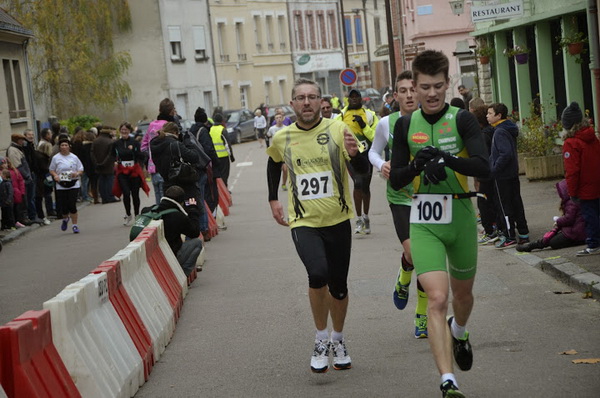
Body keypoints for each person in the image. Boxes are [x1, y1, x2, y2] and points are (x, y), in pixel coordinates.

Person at [389, 50, 490, 398]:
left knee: (462, 296)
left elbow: (483, 165)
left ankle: (459, 331)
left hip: (460, 215)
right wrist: (418, 165)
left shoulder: (461, 119)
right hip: (425, 220)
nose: (431, 94)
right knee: (436, 297)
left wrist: (446, 160)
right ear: (412, 89)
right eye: (424, 87)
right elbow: (396, 180)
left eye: (437, 87)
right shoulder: (404, 125)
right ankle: (448, 381)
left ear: (448, 85)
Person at [266, 78, 367, 374]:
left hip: (338, 219)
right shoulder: (281, 137)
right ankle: (321, 337)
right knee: (317, 273)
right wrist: (273, 198)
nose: (306, 102)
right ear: (292, 104)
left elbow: (360, 173)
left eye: (312, 97)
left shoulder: (338, 129)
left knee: (338, 287)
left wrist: (356, 154)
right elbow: (273, 162)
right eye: (301, 98)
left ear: (322, 101)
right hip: (303, 221)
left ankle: (338, 338)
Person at [368, 70, 429, 338]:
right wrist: (382, 164)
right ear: (396, 96)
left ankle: (422, 316)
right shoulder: (386, 123)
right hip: (400, 197)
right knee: (416, 254)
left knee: (426, 260)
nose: (408, 95)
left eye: (412, 90)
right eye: (402, 91)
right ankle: (405, 278)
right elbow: (372, 151)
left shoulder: (431, 121)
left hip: (429, 197)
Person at [335, 88, 379, 234]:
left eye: (356, 97)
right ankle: (358, 218)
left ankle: (366, 217)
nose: (354, 99)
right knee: (357, 183)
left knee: (365, 187)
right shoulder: (341, 116)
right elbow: (335, 135)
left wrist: (363, 126)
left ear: (361, 99)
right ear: (348, 99)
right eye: (351, 97)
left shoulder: (370, 115)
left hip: (367, 155)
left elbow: (375, 137)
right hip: (351, 156)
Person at [486, 102, 530, 248]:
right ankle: (523, 233)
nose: (487, 116)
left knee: (504, 206)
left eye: (490, 113)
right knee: (516, 203)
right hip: (511, 173)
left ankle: (509, 235)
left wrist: (494, 169)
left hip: (502, 176)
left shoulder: (499, 132)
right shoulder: (507, 128)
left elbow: (505, 154)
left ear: (499, 116)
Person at [561, 101, 600, 256]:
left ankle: (593, 243)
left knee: (590, 216)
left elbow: (572, 171)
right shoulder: (592, 137)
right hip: (597, 182)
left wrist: (572, 192)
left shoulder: (571, 143)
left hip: (585, 187)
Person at [140, 185, 203, 276]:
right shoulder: (177, 216)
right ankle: (183, 274)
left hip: (150, 258)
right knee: (197, 243)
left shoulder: (148, 211)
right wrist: (193, 210)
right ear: (181, 201)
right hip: (169, 256)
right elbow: (195, 233)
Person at [517, 179, 586, 252]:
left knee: (553, 242)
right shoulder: (574, 200)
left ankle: (532, 245)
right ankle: (533, 245)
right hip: (577, 231)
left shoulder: (571, 203)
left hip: (575, 233)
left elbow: (569, 219)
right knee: (552, 237)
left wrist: (558, 221)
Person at [141, 98, 180, 204]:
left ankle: (160, 216)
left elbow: (143, 146)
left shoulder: (152, 125)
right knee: (167, 197)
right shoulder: (169, 125)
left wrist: (149, 158)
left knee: (158, 196)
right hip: (167, 168)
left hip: (153, 167)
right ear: (172, 111)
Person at [150, 122, 201, 201]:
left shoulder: (155, 144)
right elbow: (194, 157)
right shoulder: (175, 144)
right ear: (174, 132)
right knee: (194, 210)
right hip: (183, 186)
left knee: (173, 210)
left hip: (167, 185)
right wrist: (188, 143)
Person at [190, 107, 221, 238]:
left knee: (195, 199)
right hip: (204, 169)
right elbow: (209, 150)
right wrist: (216, 165)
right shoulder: (203, 132)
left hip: (193, 169)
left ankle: (199, 227)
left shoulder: (190, 131)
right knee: (208, 196)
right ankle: (205, 228)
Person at [471, 105, 499, 245]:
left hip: (486, 173)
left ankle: (490, 231)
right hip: (492, 172)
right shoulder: (491, 132)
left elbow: (483, 155)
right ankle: (494, 227)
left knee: (483, 202)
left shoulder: (483, 135)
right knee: (491, 201)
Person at [113, 122, 150, 226]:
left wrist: (133, 149)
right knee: (125, 192)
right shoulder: (116, 143)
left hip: (133, 170)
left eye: (126, 130)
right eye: (122, 130)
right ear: (120, 131)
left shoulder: (134, 142)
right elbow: (112, 154)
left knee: (135, 194)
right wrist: (115, 162)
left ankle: (137, 215)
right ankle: (128, 214)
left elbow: (141, 155)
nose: (124, 131)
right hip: (122, 170)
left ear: (130, 131)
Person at [49, 137, 84, 233]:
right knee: (64, 207)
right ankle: (65, 219)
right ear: (60, 147)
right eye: (62, 145)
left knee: (72, 205)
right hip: (61, 184)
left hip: (73, 183)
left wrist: (76, 174)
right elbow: (51, 169)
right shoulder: (56, 158)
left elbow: (81, 169)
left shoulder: (74, 157)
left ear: (69, 147)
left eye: (66, 145)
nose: (64, 147)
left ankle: (75, 225)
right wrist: (55, 175)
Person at [6, 133, 34, 225]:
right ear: (17, 140)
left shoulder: (17, 149)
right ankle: (22, 218)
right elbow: (18, 166)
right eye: (21, 140)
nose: (23, 142)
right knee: (22, 198)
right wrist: (27, 175)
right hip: (21, 178)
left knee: (25, 198)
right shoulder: (13, 150)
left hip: (23, 178)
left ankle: (24, 217)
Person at [91, 126, 119, 204]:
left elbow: (92, 153)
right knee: (110, 180)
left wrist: (96, 163)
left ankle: (104, 198)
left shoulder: (95, 141)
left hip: (98, 164)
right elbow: (110, 154)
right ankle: (110, 197)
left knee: (101, 181)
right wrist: (105, 163)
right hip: (108, 165)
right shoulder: (110, 142)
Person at [36, 128, 57, 217]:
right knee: (47, 193)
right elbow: (45, 168)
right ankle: (50, 210)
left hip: (45, 176)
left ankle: (50, 209)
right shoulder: (43, 158)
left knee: (48, 193)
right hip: (44, 176)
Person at [210, 113, 235, 186]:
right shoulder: (222, 130)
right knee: (224, 174)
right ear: (221, 121)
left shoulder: (210, 130)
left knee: (217, 174)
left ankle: (219, 190)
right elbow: (227, 144)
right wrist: (231, 156)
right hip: (223, 156)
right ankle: (224, 190)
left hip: (214, 156)